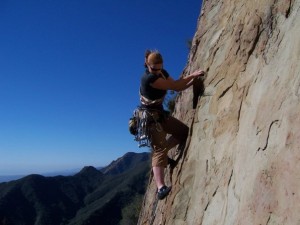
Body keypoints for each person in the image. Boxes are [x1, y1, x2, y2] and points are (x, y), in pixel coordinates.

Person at [139, 50, 205, 200]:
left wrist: (192, 80)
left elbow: (178, 86)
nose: (157, 71)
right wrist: (192, 75)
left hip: (160, 115)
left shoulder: (162, 72)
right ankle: (160, 188)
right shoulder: (149, 79)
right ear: (147, 65)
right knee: (159, 149)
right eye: (154, 68)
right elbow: (174, 86)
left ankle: (163, 157)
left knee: (183, 132)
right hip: (150, 119)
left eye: (159, 68)